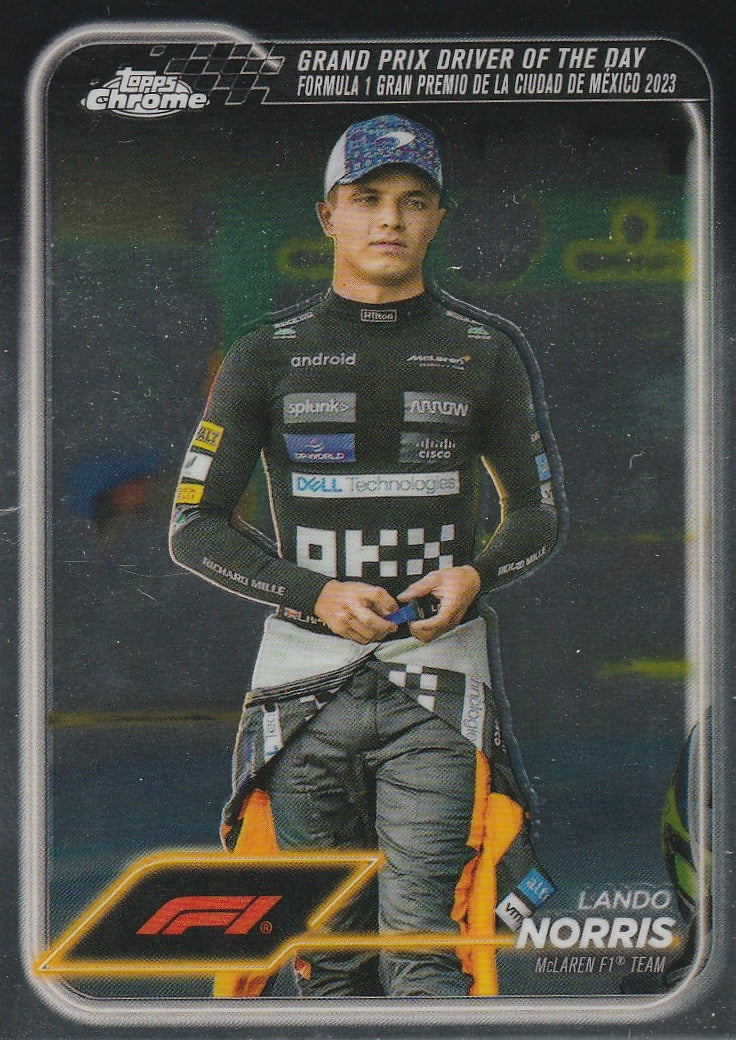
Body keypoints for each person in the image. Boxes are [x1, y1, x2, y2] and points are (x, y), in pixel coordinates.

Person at [169, 113, 564, 998]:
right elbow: (193, 526)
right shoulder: (264, 354)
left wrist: (476, 573)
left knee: (426, 955)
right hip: (302, 697)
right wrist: (314, 592)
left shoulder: (484, 352)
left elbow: (537, 515)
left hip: (440, 693)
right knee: (330, 969)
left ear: (438, 219)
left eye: (414, 200)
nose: (390, 218)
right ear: (328, 215)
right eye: (369, 197)